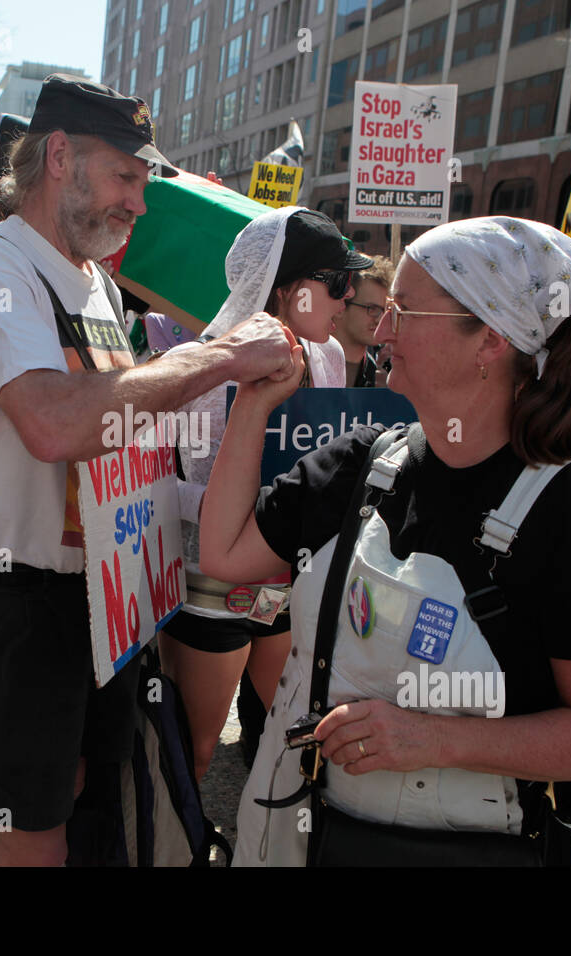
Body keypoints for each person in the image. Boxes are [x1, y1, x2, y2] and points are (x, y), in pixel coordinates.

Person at [200, 216, 571, 866]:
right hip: (287, 835)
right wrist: (252, 402)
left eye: (404, 310)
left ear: (491, 341)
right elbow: (224, 555)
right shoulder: (357, 463)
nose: (381, 330)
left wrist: (436, 740)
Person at [0, 75, 293, 867]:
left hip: (102, 593)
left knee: (89, 811)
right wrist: (218, 357)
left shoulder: (93, 280)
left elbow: (124, 426)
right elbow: (56, 423)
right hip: (22, 602)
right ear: (59, 157)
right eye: (128, 176)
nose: (139, 202)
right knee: (32, 836)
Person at [157, 207, 373, 783]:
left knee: (296, 740)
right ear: (285, 288)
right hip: (209, 585)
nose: (347, 294)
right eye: (334, 280)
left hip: (286, 581)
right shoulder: (201, 363)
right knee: (193, 752)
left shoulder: (327, 356)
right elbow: (159, 484)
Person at [330, 256, 394, 387]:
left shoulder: (377, 377)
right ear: (340, 307)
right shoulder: (305, 365)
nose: (380, 320)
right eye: (372, 308)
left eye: (385, 310)